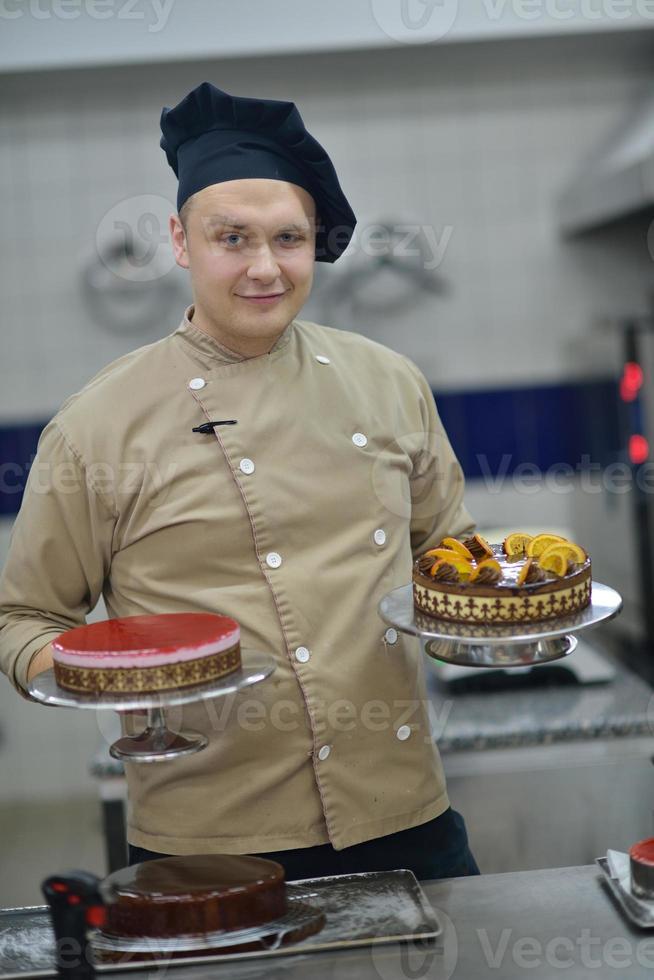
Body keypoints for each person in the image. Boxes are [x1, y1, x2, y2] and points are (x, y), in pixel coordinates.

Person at [0, 83, 479, 881]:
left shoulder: (389, 381)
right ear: (180, 243)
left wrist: (492, 623)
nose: (265, 268)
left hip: (407, 816)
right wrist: (113, 676)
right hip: (210, 843)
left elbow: (450, 561)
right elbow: (23, 619)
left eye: (288, 239)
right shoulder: (97, 427)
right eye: (232, 239)